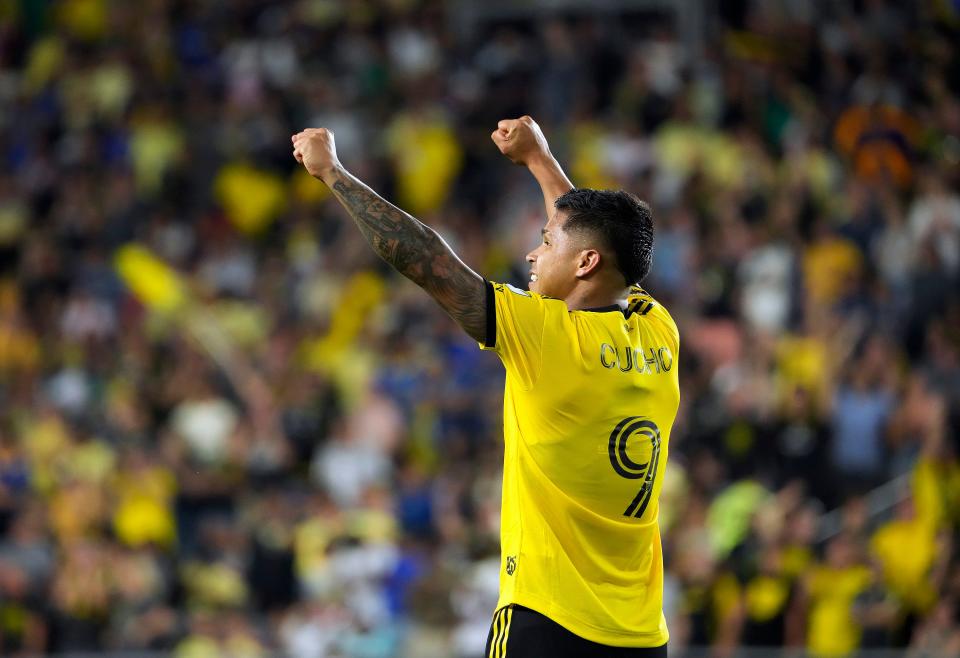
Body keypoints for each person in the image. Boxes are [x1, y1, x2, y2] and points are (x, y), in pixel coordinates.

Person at [292, 115, 679, 657]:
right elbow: (595, 244)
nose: (533, 254)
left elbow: (426, 258)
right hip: (640, 633)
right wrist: (539, 160)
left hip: (546, 620)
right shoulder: (658, 331)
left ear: (585, 262)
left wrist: (333, 173)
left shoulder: (543, 335)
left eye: (545, 242)